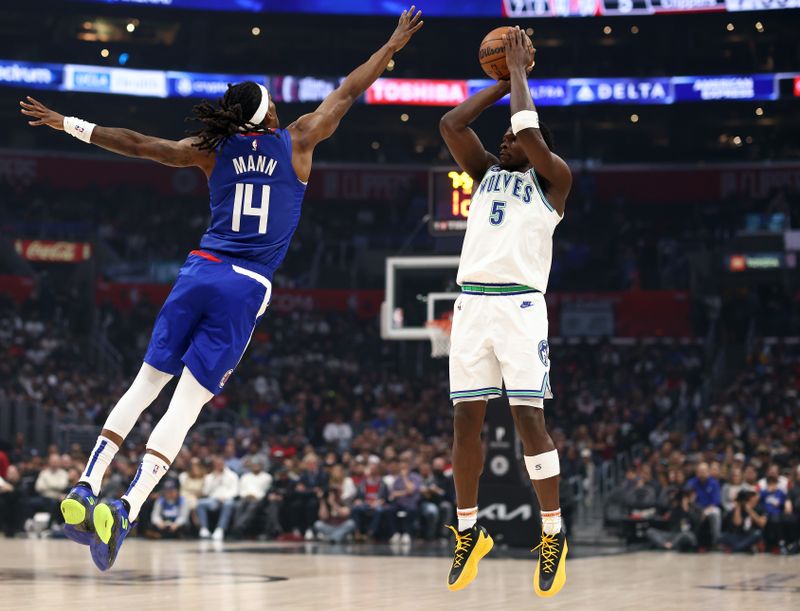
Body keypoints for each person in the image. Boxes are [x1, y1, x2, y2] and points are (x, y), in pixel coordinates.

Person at [19, 6, 422, 571]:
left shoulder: (211, 149)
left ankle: (87, 483)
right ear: (270, 114)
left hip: (200, 271)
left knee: (145, 384)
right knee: (185, 405)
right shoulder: (299, 139)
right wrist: (391, 45)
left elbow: (138, 144)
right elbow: (350, 90)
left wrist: (68, 123)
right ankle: (127, 506)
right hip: (245, 286)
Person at [439, 26, 571, 597]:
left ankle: (553, 532)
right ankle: (469, 532)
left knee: (528, 421)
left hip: (520, 306)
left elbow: (529, 130)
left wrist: (518, 71)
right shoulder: (487, 172)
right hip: (472, 304)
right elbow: (451, 125)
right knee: (465, 422)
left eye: (513, 138)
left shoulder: (554, 180)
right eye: (505, 137)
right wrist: (499, 80)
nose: (506, 139)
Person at [195, 456, 239, 541]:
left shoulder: (232, 475)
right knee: (200, 503)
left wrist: (225, 497)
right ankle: (204, 529)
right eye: (216, 464)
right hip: (213, 500)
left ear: (224, 463)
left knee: (228, 504)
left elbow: (235, 491)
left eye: (220, 463)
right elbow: (206, 492)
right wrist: (214, 479)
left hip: (227, 499)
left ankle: (220, 529)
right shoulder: (210, 477)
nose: (218, 465)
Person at [231, 458, 272, 538]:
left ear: (261, 466)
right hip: (245, 497)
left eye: (257, 465)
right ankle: (238, 527)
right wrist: (246, 495)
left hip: (259, 499)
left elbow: (265, 491)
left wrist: (255, 496)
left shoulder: (267, 477)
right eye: (254, 465)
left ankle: (237, 527)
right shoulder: (245, 476)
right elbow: (241, 490)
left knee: (252, 506)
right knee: (238, 505)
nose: (255, 467)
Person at [686, 461, 722, 547]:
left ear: (708, 472)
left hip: (709, 509)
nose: (702, 474)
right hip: (695, 508)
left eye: (704, 471)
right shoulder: (691, 483)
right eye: (700, 471)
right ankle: (691, 542)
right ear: (697, 472)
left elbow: (715, 502)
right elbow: (687, 499)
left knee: (716, 513)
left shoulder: (714, 483)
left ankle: (716, 542)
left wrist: (705, 512)